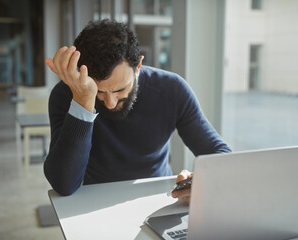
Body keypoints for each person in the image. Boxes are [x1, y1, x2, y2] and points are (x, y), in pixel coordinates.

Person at [44, 19, 231, 203]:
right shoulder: (67, 95)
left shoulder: (171, 90)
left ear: (138, 66)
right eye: (99, 92)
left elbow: (219, 152)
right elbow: (63, 185)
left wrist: (201, 180)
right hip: (96, 199)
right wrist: (83, 101)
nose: (110, 103)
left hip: (158, 198)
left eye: (119, 90)